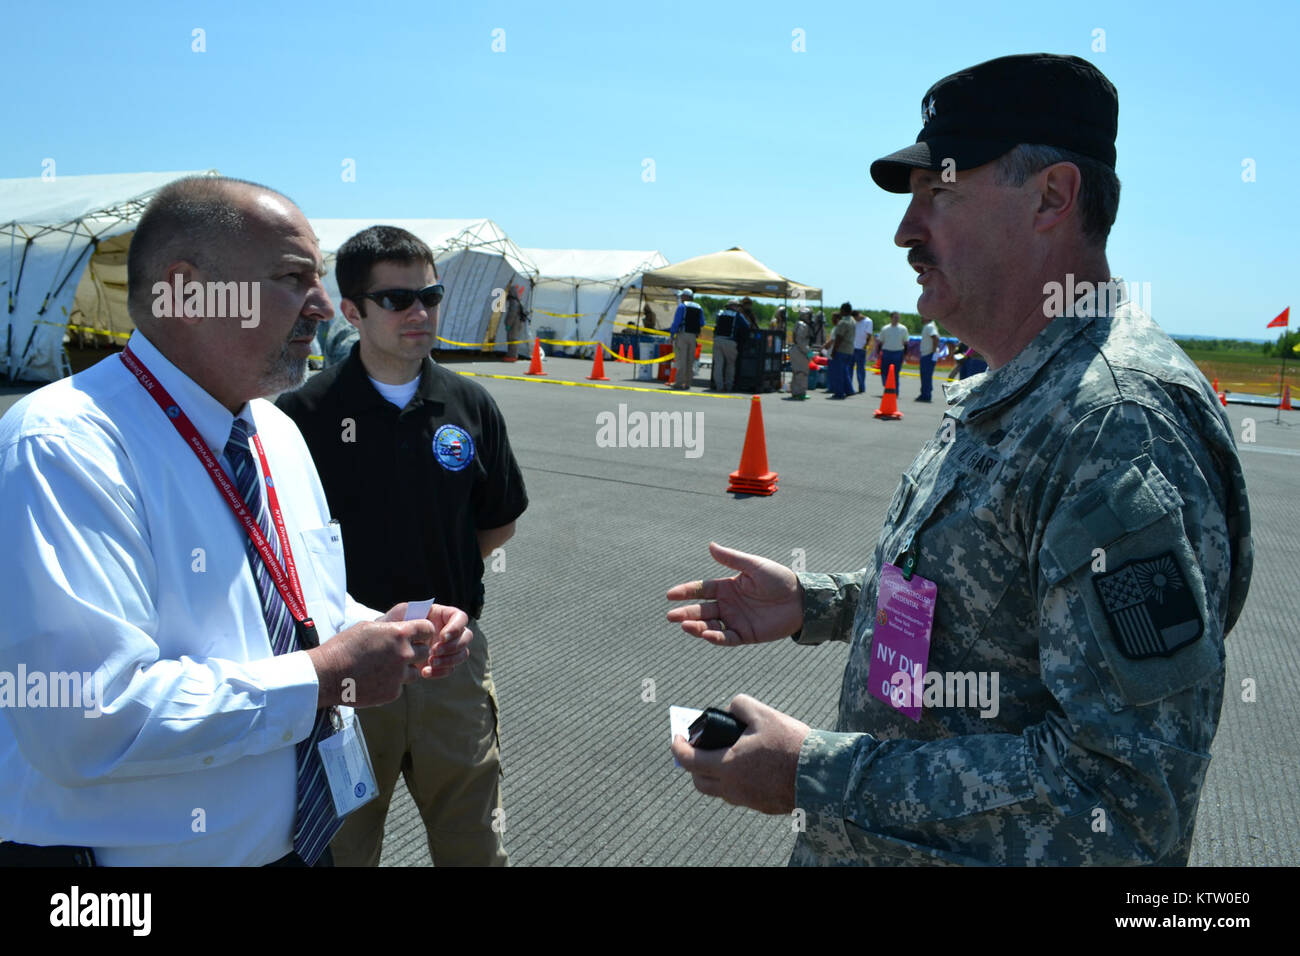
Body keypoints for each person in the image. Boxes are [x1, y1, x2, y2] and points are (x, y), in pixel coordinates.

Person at [666, 53, 1252, 866]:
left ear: (1052, 197)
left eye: (938, 193)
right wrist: (820, 603)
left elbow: (1125, 799)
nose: (906, 231)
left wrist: (816, 773)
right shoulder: (1016, 382)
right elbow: (988, 600)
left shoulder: (1116, 423)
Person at [0, 176, 472, 867]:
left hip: (292, 852)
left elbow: (297, 602)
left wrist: (381, 628)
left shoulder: (272, 430)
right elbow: (85, 718)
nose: (321, 307)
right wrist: (320, 678)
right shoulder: (64, 445)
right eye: (293, 278)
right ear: (187, 290)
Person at [277, 225, 527, 868]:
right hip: (346, 672)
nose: (420, 312)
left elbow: (496, 524)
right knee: (343, 847)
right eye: (396, 300)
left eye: (431, 294)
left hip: (452, 661)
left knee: (474, 844)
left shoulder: (470, 405)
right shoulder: (302, 415)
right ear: (353, 310)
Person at [668, 288, 705, 390]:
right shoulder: (699, 307)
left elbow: (676, 322)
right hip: (693, 336)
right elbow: (702, 323)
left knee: (681, 360)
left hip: (682, 335)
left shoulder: (682, 306)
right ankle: (688, 383)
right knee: (690, 360)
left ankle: (679, 383)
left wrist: (672, 335)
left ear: (685, 297)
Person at [711, 299, 748, 391]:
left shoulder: (719, 314)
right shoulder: (738, 315)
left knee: (718, 365)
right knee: (730, 365)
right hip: (730, 341)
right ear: (734, 307)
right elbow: (746, 326)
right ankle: (728, 386)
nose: (738, 308)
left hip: (717, 340)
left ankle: (719, 386)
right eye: (737, 306)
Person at [827, 303, 856, 399]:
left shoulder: (843, 322)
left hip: (842, 350)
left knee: (838, 372)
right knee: (845, 371)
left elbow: (839, 337)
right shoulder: (852, 320)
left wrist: (834, 351)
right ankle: (849, 390)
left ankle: (839, 393)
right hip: (850, 349)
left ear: (843, 311)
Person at [786, 308, 816, 401]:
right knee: (801, 373)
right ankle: (799, 393)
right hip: (800, 351)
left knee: (797, 373)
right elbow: (801, 341)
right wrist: (809, 352)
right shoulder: (803, 325)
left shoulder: (799, 324)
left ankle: (796, 392)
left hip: (797, 350)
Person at [877, 310, 909, 388]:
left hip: (898, 353)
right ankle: (887, 387)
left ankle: (895, 390)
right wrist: (878, 353)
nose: (897, 319)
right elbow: (880, 342)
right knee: (884, 371)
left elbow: (906, 343)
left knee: (895, 372)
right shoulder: (885, 328)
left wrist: (905, 354)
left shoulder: (903, 329)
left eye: (898, 317)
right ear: (891, 318)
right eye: (895, 317)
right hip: (886, 352)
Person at [502, 285, 529, 362]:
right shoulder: (518, 301)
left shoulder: (513, 302)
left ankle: (512, 356)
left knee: (512, 339)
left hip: (514, 324)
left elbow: (512, 314)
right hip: (518, 323)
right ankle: (512, 355)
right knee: (514, 340)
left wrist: (508, 324)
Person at [917, 317, 940, 401]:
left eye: (922, 316)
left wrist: (933, 352)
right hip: (927, 354)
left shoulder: (929, 326)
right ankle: (925, 393)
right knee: (925, 375)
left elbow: (936, 338)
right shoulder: (929, 326)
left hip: (928, 354)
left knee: (926, 375)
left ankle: (926, 395)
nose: (921, 318)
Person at [851, 311, 874, 394]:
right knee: (850, 368)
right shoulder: (854, 321)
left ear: (858, 315)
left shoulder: (868, 321)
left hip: (861, 348)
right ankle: (849, 386)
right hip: (852, 347)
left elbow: (869, 334)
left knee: (860, 369)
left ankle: (861, 387)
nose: (855, 320)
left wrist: (865, 345)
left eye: (856, 318)